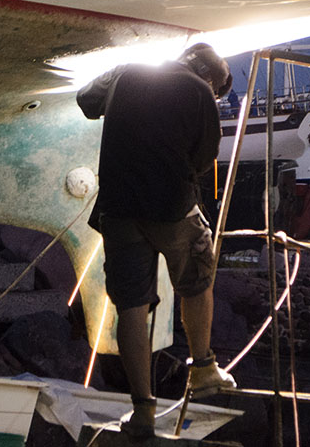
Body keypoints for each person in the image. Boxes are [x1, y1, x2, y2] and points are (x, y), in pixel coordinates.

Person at [76, 42, 237, 440]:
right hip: (171, 206)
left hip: (117, 209)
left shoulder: (129, 72)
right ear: (212, 79)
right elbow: (203, 160)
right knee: (197, 278)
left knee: (131, 305)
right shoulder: (201, 93)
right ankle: (202, 367)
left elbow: (86, 100)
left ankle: (142, 409)